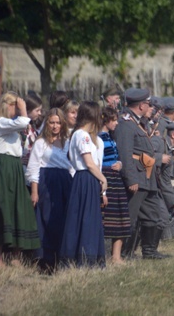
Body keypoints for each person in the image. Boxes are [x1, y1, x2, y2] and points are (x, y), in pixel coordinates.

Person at [0, 92, 40, 268]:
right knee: (1, 209)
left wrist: (21, 110)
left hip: (14, 167)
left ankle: (15, 256)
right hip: (2, 167)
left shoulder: (10, 126)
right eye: (14, 105)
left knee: (17, 209)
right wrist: (23, 109)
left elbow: (22, 125)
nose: (18, 109)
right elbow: (23, 122)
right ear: (6, 105)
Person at [116, 88, 167, 259]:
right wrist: (130, 178)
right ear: (141, 105)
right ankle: (124, 253)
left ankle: (149, 250)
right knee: (130, 218)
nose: (150, 107)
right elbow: (125, 152)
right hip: (136, 177)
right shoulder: (126, 123)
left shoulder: (138, 122)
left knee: (152, 214)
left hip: (146, 175)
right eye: (148, 104)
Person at [60, 101, 107, 267]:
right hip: (86, 178)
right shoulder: (82, 136)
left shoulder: (80, 135)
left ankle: (85, 256)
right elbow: (89, 163)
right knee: (86, 218)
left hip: (85, 179)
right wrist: (103, 179)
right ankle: (85, 258)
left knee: (84, 217)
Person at [26, 108, 73, 270]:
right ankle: (45, 260)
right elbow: (33, 167)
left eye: (58, 123)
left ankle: (62, 257)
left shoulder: (68, 141)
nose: (55, 126)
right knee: (46, 219)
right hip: (47, 182)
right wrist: (34, 191)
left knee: (62, 220)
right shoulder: (41, 142)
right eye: (52, 122)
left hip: (65, 182)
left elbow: (72, 165)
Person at [98, 106, 131, 265]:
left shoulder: (111, 137)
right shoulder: (98, 139)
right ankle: (102, 255)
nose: (117, 123)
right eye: (114, 120)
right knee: (106, 219)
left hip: (116, 179)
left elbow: (115, 156)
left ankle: (116, 256)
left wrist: (119, 164)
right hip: (106, 178)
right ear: (106, 120)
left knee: (119, 217)